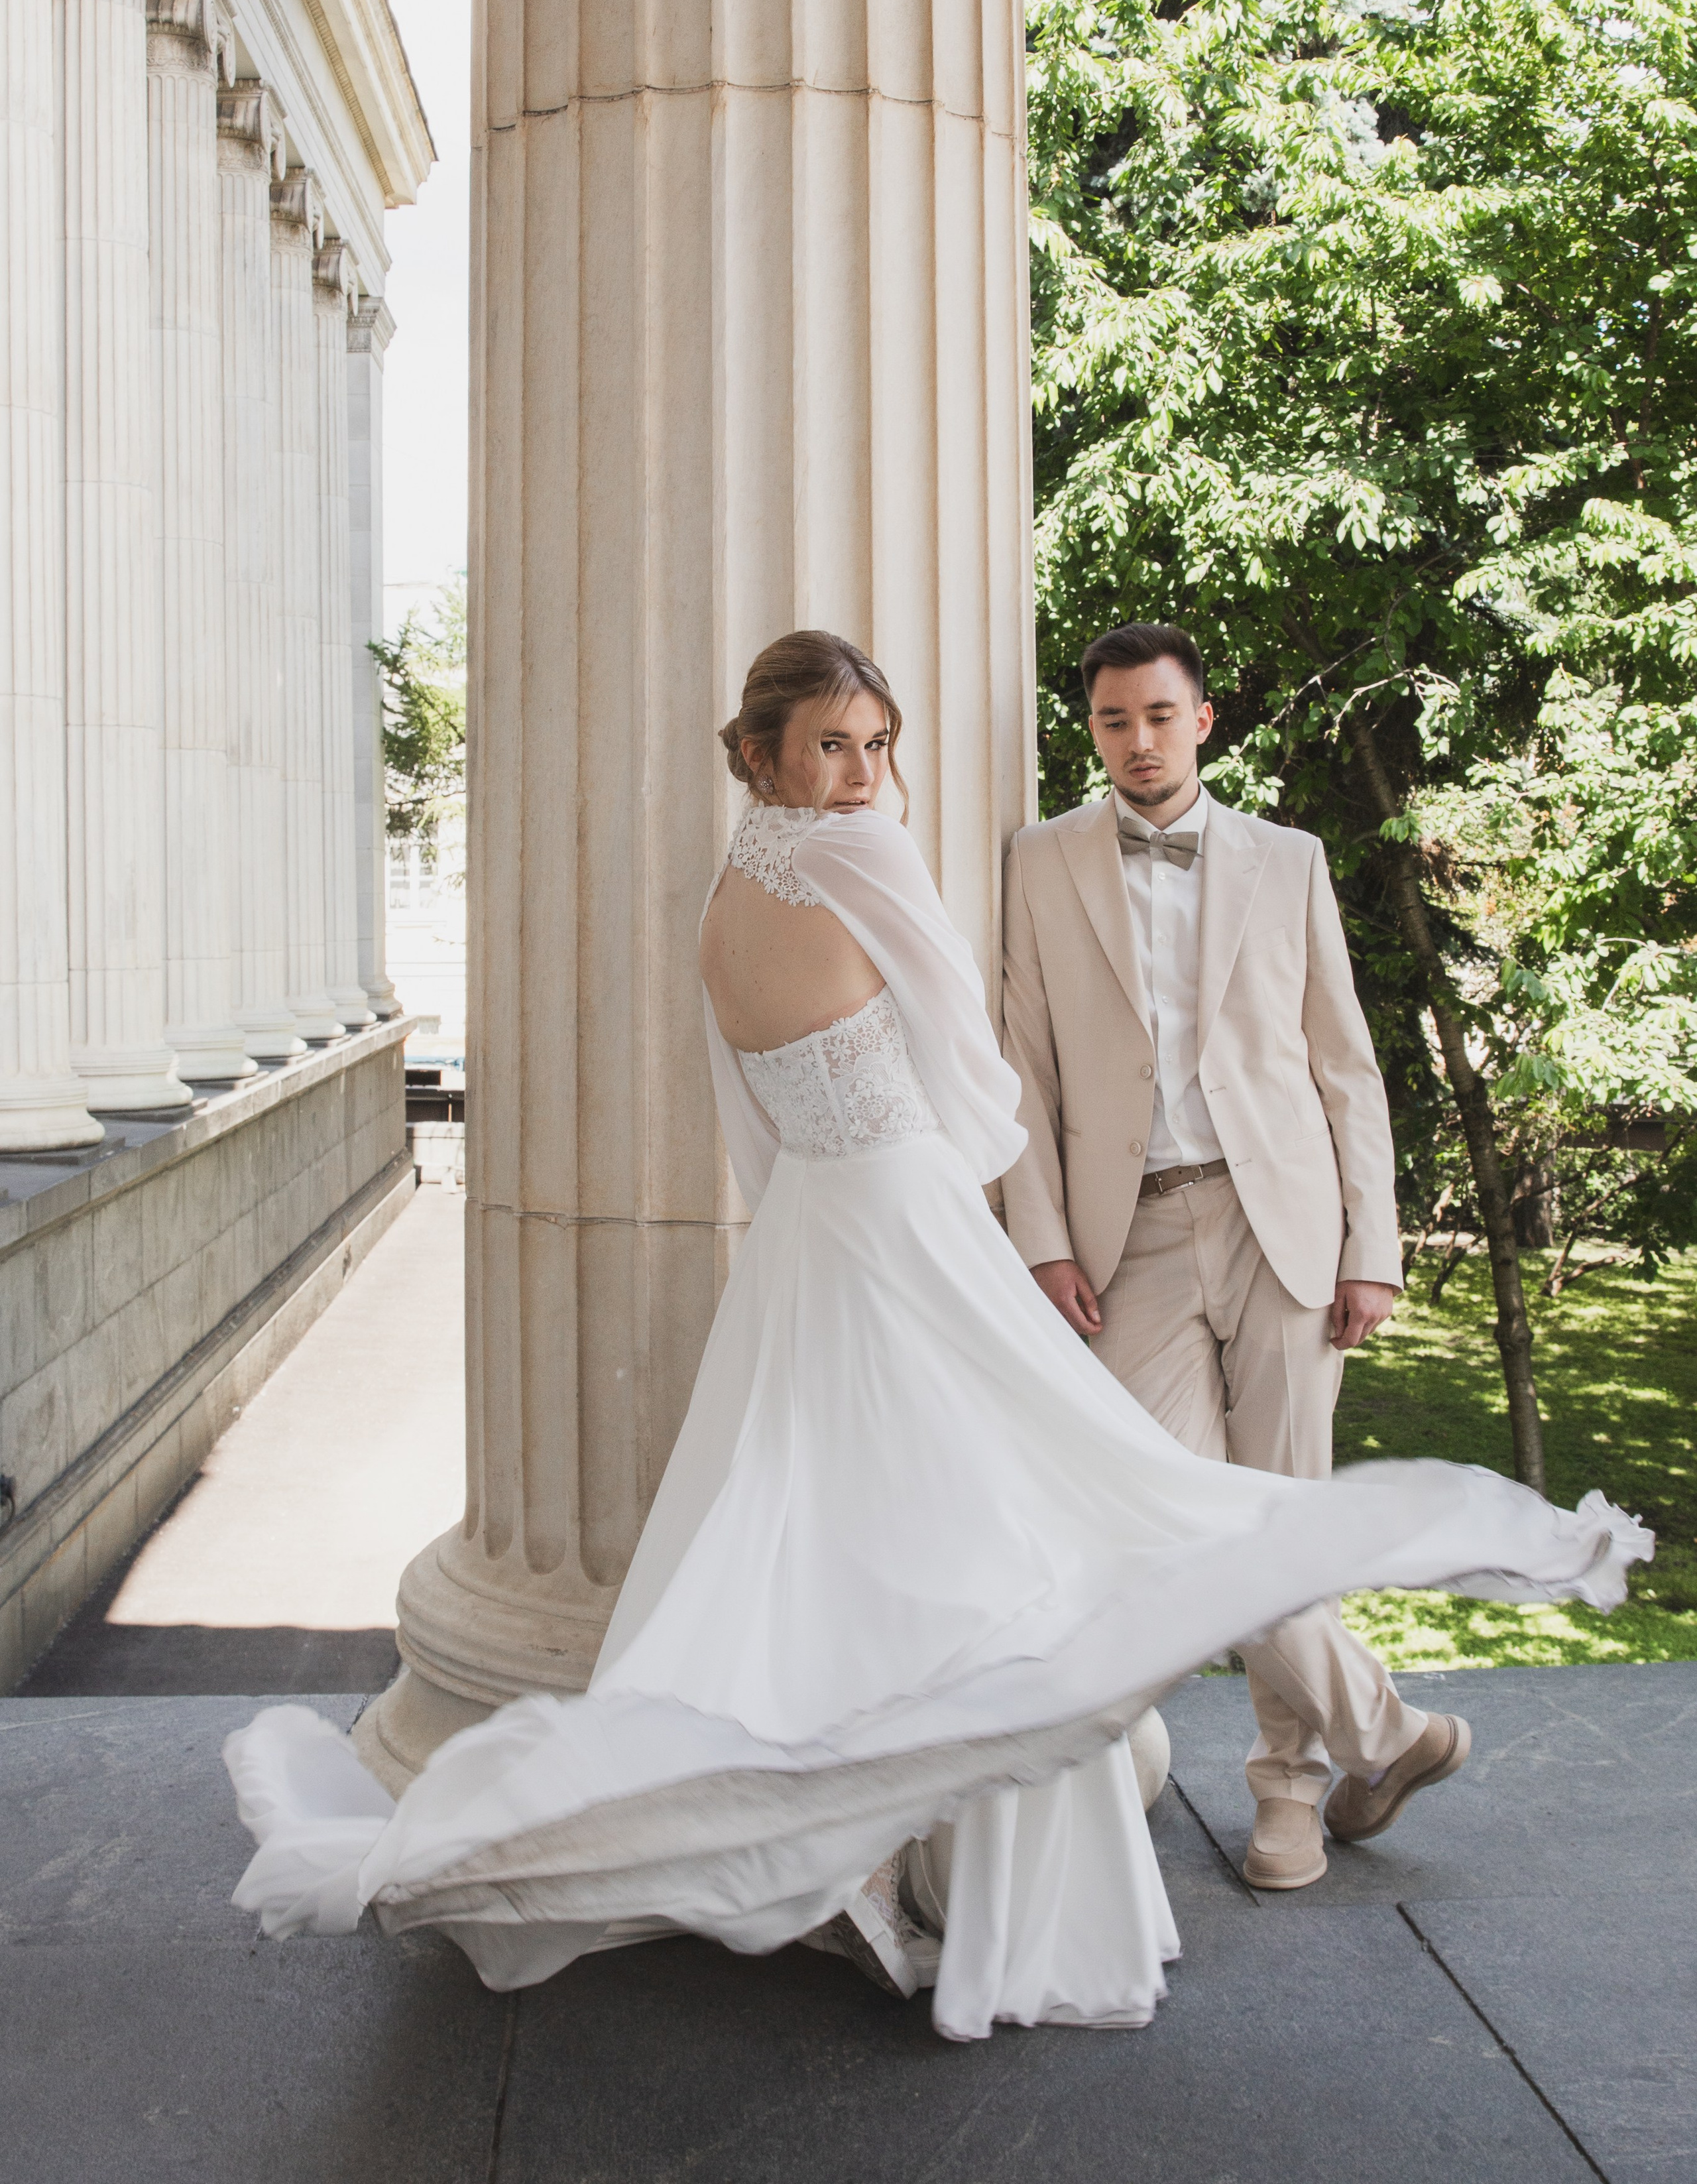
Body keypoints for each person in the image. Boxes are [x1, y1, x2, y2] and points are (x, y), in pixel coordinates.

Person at [225, 631, 1646, 2039]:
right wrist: (980, 1182)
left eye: (876, 746)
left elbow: (760, 1125)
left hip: (817, 1247)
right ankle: (1030, 1848)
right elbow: (977, 1079)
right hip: (911, 1222)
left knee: (846, 1552)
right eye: (832, 745)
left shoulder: (722, 898)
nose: (860, 775)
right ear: (760, 755)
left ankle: (912, 1844)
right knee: (1060, 1526)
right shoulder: (867, 858)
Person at [1001, 620, 1463, 1890]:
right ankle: (1391, 1731)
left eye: (1158, 716)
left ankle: (1292, 1795)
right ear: (1089, 729)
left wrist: (1376, 1246)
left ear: (1202, 720)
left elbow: (1344, 1067)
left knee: (1284, 1512)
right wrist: (1040, 1244)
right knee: (1178, 1519)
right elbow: (1021, 1076)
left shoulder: (1289, 859)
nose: (1137, 741)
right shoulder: (1037, 864)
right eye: (1112, 721)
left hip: (1286, 1230)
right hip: (1125, 1234)